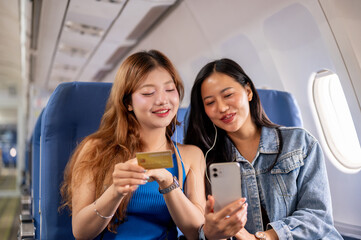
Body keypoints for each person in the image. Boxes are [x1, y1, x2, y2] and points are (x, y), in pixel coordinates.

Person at [184, 58, 342, 240]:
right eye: (210, 102)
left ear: (248, 91)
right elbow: (202, 231)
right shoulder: (206, 160)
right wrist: (210, 233)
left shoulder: (299, 142)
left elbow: (318, 217)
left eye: (228, 95)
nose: (222, 107)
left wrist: (261, 238)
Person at [60, 50, 206, 240]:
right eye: (148, 93)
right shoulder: (95, 149)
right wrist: (115, 191)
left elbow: (196, 232)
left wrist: (168, 183)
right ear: (128, 102)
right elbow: (81, 232)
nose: (162, 100)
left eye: (170, 90)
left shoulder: (189, 155)